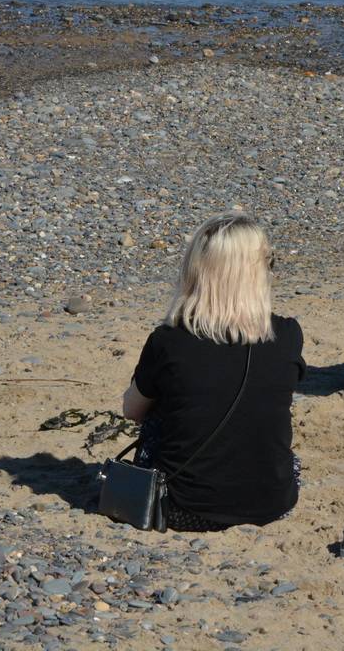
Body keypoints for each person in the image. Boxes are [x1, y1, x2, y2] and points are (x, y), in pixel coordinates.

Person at [121, 213, 304, 532]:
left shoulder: (169, 341)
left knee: (160, 409)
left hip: (182, 507)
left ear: (196, 271)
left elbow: (132, 410)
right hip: (273, 502)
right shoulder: (288, 334)